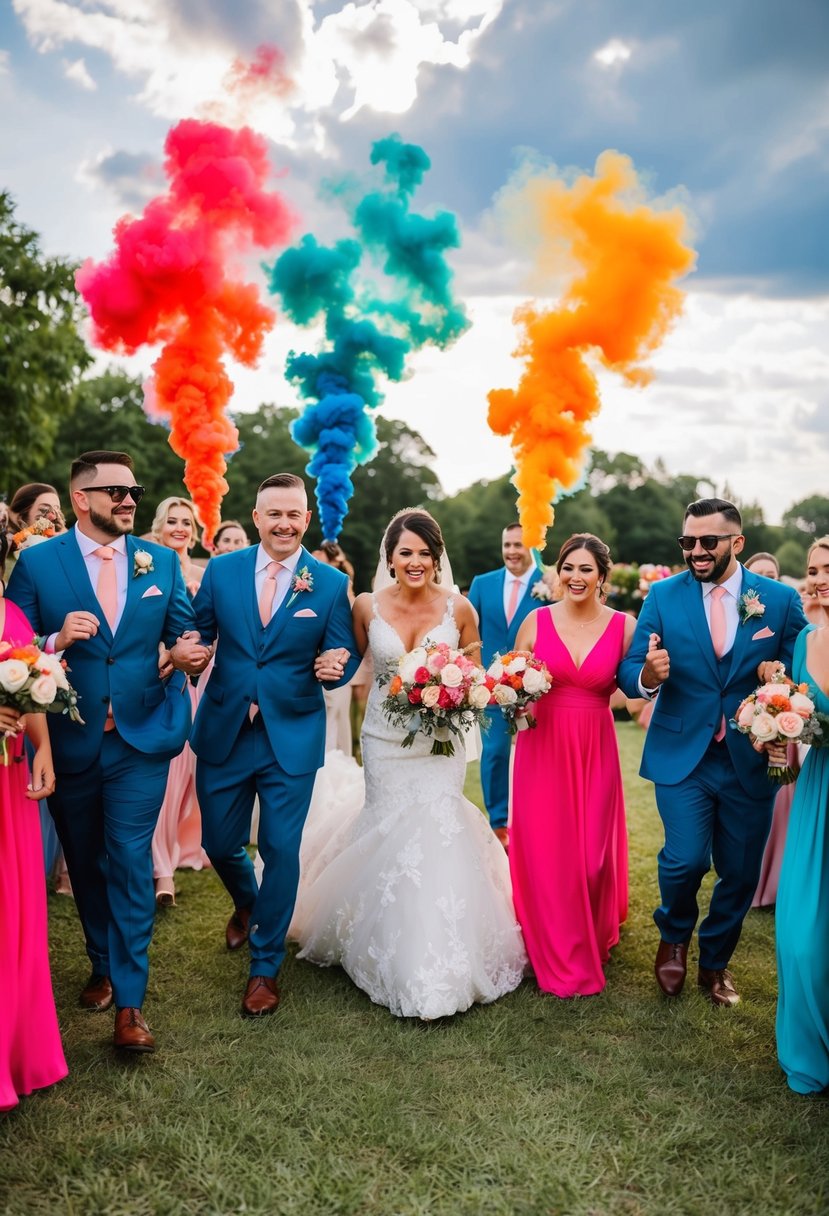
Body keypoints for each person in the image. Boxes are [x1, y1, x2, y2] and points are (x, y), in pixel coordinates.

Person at [296, 509, 526, 1020]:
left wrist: (456, 693)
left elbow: (471, 678)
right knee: (387, 830)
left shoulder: (459, 608)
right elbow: (348, 663)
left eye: (425, 553)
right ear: (390, 558)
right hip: (383, 740)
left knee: (437, 827)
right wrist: (326, 666)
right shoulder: (365, 606)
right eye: (406, 553)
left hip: (438, 746)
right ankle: (380, 938)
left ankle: (440, 955)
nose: (416, 562)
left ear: (437, 558)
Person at [8, 450, 198, 1053]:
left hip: (140, 740)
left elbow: (182, 631)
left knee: (128, 856)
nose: (128, 501)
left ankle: (132, 1003)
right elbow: (13, 645)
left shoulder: (160, 562)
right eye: (114, 490)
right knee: (86, 861)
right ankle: (100, 962)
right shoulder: (38, 564)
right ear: (79, 499)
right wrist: (54, 640)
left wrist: (188, 651)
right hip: (69, 742)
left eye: (134, 491)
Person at [175, 473, 360, 1019]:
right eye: (273, 513)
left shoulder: (326, 584)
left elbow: (340, 649)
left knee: (280, 848)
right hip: (226, 730)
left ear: (307, 520)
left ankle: (264, 967)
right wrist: (192, 649)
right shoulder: (223, 570)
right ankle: (249, 904)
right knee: (219, 842)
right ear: (256, 518)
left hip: (291, 735)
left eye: (293, 515)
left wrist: (333, 667)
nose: (283, 523)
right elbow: (200, 630)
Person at [617, 498, 807, 1006]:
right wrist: (646, 676)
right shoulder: (662, 595)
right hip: (684, 753)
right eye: (688, 542)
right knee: (683, 860)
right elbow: (631, 666)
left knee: (740, 872)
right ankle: (674, 936)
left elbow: (793, 667)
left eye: (708, 542)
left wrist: (778, 677)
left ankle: (716, 963)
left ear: (736, 543)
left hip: (750, 755)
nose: (696, 551)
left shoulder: (779, 600)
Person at [511, 533, 633, 997]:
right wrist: (514, 704)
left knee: (591, 859)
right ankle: (555, 943)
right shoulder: (535, 621)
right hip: (542, 746)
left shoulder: (624, 626)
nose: (575, 577)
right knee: (547, 850)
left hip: (594, 745)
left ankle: (593, 925)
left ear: (603, 575)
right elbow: (512, 681)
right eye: (568, 567)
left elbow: (633, 691)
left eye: (586, 569)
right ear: (557, 572)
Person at [0, 531, 67, 1112]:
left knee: (16, 910)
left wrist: (42, 748)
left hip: (11, 774)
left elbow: (33, 687)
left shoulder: (13, 613)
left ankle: (17, 1051)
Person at [775, 536, 829, 1094]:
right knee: (801, 935)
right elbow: (800, 710)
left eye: (828, 569)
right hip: (819, 788)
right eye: (813, 570)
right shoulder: (806, 639)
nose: (817, 579)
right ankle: (809, 1048)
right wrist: (774, 732)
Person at [467, 523, 544, 849]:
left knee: (537, 757)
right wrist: (478, 673)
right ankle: (499, 824)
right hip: (492, 688)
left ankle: (534, 819)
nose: (512, 551)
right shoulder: (482, 584)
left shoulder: (550, 584)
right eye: (507, 544)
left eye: (518, 544)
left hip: (539, 687)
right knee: (495, 755)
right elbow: (468, 633)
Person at [148, 496, 210, 905]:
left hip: (198, 687)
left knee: (186, 782)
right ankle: (161, 870)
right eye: (172, 520)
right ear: (160, 524)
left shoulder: (207, 574)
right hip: (156, 680)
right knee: (163, 782)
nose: (180, 528)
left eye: (186, 521)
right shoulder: (145, 564)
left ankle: (179, 849)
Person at [743, 551, 793, 909]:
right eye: (759, 574)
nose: (766, 580)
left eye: (772, 574)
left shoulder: (790, 611)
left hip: (784, 721)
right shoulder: (740, 610)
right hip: (742, 724)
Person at [313, 541, 356, 754]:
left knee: (336, 723)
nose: (315, 556)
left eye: (321, 554)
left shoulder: (343, 587)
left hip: (337, 665)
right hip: (314, 669)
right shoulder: (312, 580)